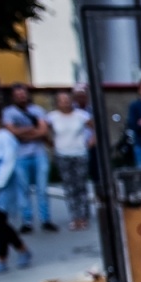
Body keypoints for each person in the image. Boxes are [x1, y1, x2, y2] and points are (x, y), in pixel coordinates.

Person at [0, 100, 32, 275]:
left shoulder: (6, 137)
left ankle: (3, 257)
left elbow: (8, 164)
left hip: (1, 185)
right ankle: (19, 250)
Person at [2, 85, 54, 234]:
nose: (21, 97)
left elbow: (43, 130)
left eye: (23, 94)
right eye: (18, 95)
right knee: (23, 189)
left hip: (39, 154)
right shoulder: (9, 113)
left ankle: (46, 220)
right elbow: (11, 132)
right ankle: (27, 222)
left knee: (42, 188)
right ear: (13, 97)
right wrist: (31, 131)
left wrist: (23, 133)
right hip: (19, 156)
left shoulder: (37, 110)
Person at [47, 91, 93, 230]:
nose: (65, 102)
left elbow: (94, 129)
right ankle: (75, 217)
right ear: (57, 103)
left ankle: (84, 216)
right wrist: (51, 144)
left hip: (79, 153)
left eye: (67, 99)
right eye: (62, 100)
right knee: (69, 187)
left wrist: (90, 143)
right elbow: (43, 131)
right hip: (63, 154)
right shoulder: (52, 117)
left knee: (80, 185)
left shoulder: (81, 115)